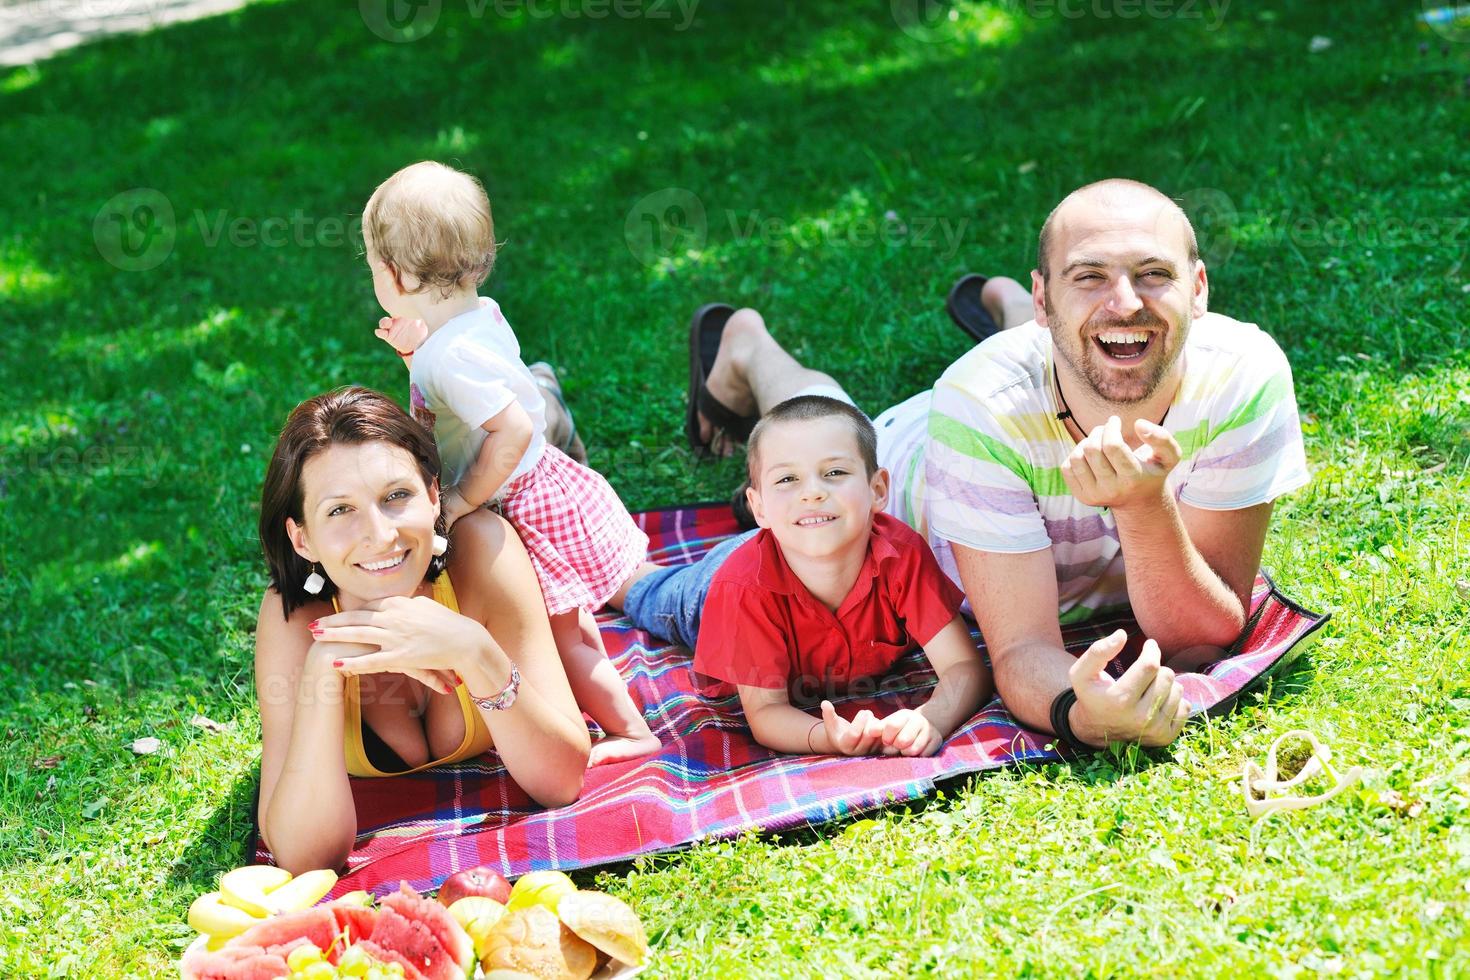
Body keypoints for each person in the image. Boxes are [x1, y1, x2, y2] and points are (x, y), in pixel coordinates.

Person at [683, 178, 1309, 751]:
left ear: (1198, 289)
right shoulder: (977, 405)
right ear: (1047, 297)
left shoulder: (1244, 378)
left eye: (1152, 274)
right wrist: (1084, 714)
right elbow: (1020, 650)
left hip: (1035, 379)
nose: (1125, 302)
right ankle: (750, 348)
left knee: (1091, 344)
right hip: (916, 459)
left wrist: (1145, 505)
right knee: (817, 430)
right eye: (1088, 275)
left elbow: (1202, 634)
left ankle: (1008, 309)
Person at [362, 161, 659, 766]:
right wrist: (414, 354)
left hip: (520, 501)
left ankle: (630, 731)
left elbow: (513, 426)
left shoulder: (451, 357)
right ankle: (592, 706)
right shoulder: (476, 318)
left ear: (392, 274)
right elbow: (457, 395)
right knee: (569, 625)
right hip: (540, 483)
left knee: (557, 635)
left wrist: (466, 498)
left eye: (371, 266)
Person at [254, 387, 591, 874]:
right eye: (339, 510)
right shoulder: (295, 620)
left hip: (536, 531)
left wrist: (474, 650)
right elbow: (306, 857)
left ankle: (544, 403)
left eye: (396, 496)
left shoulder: (484, 552)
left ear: (434, 495)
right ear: (302, 538)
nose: (381, 534)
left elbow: (561, 781)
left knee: (623, 583)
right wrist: (325, 666)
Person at [621, 395, 992, 757]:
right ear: (760, 507)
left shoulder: (902, 555)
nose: (812, 492)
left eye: (834, 473)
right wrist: (826, 737)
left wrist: (930, 719)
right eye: (787, 479)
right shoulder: (739, 588)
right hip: (712, 587)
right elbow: (766, 713)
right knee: (639, 589)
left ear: (877, 490)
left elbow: (963, 667)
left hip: (789, 537)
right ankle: (598, 562)